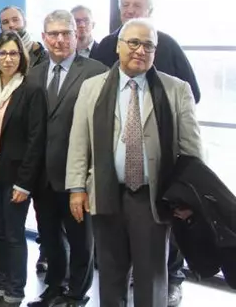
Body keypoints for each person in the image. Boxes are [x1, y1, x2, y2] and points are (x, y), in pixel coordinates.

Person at [66, 18, 203, 307]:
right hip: (105, 192)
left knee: (151, 273)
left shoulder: (176, 90)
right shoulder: (93, 88)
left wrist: (190, 196)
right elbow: (79, 142)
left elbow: (191, 152)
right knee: (111, 272)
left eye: (149, 45)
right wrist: (77, 188)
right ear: (118, 46)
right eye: (134, 43)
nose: (141, 50)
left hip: (152, 196)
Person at [26, 11, 107, 307]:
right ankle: (54, 288)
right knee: (49, 238)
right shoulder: (33, 73)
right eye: (53, 34)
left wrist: (90, 175)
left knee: (81, 240)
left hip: (78, 175)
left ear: (76, 35)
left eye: (66, 33)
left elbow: (102, 130)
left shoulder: (97, 71)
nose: (60, 39)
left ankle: (76, 293)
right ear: (44, 37)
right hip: (42, 175)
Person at [0, 31, 47, 307]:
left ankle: (15, 291)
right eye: (2, 53)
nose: (8, 58)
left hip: (16, 178)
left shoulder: (31, 91)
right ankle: (3, 283)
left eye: (14, 53)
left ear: (21, 58)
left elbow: (36, 140)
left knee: (14, 234)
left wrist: (24, 183)